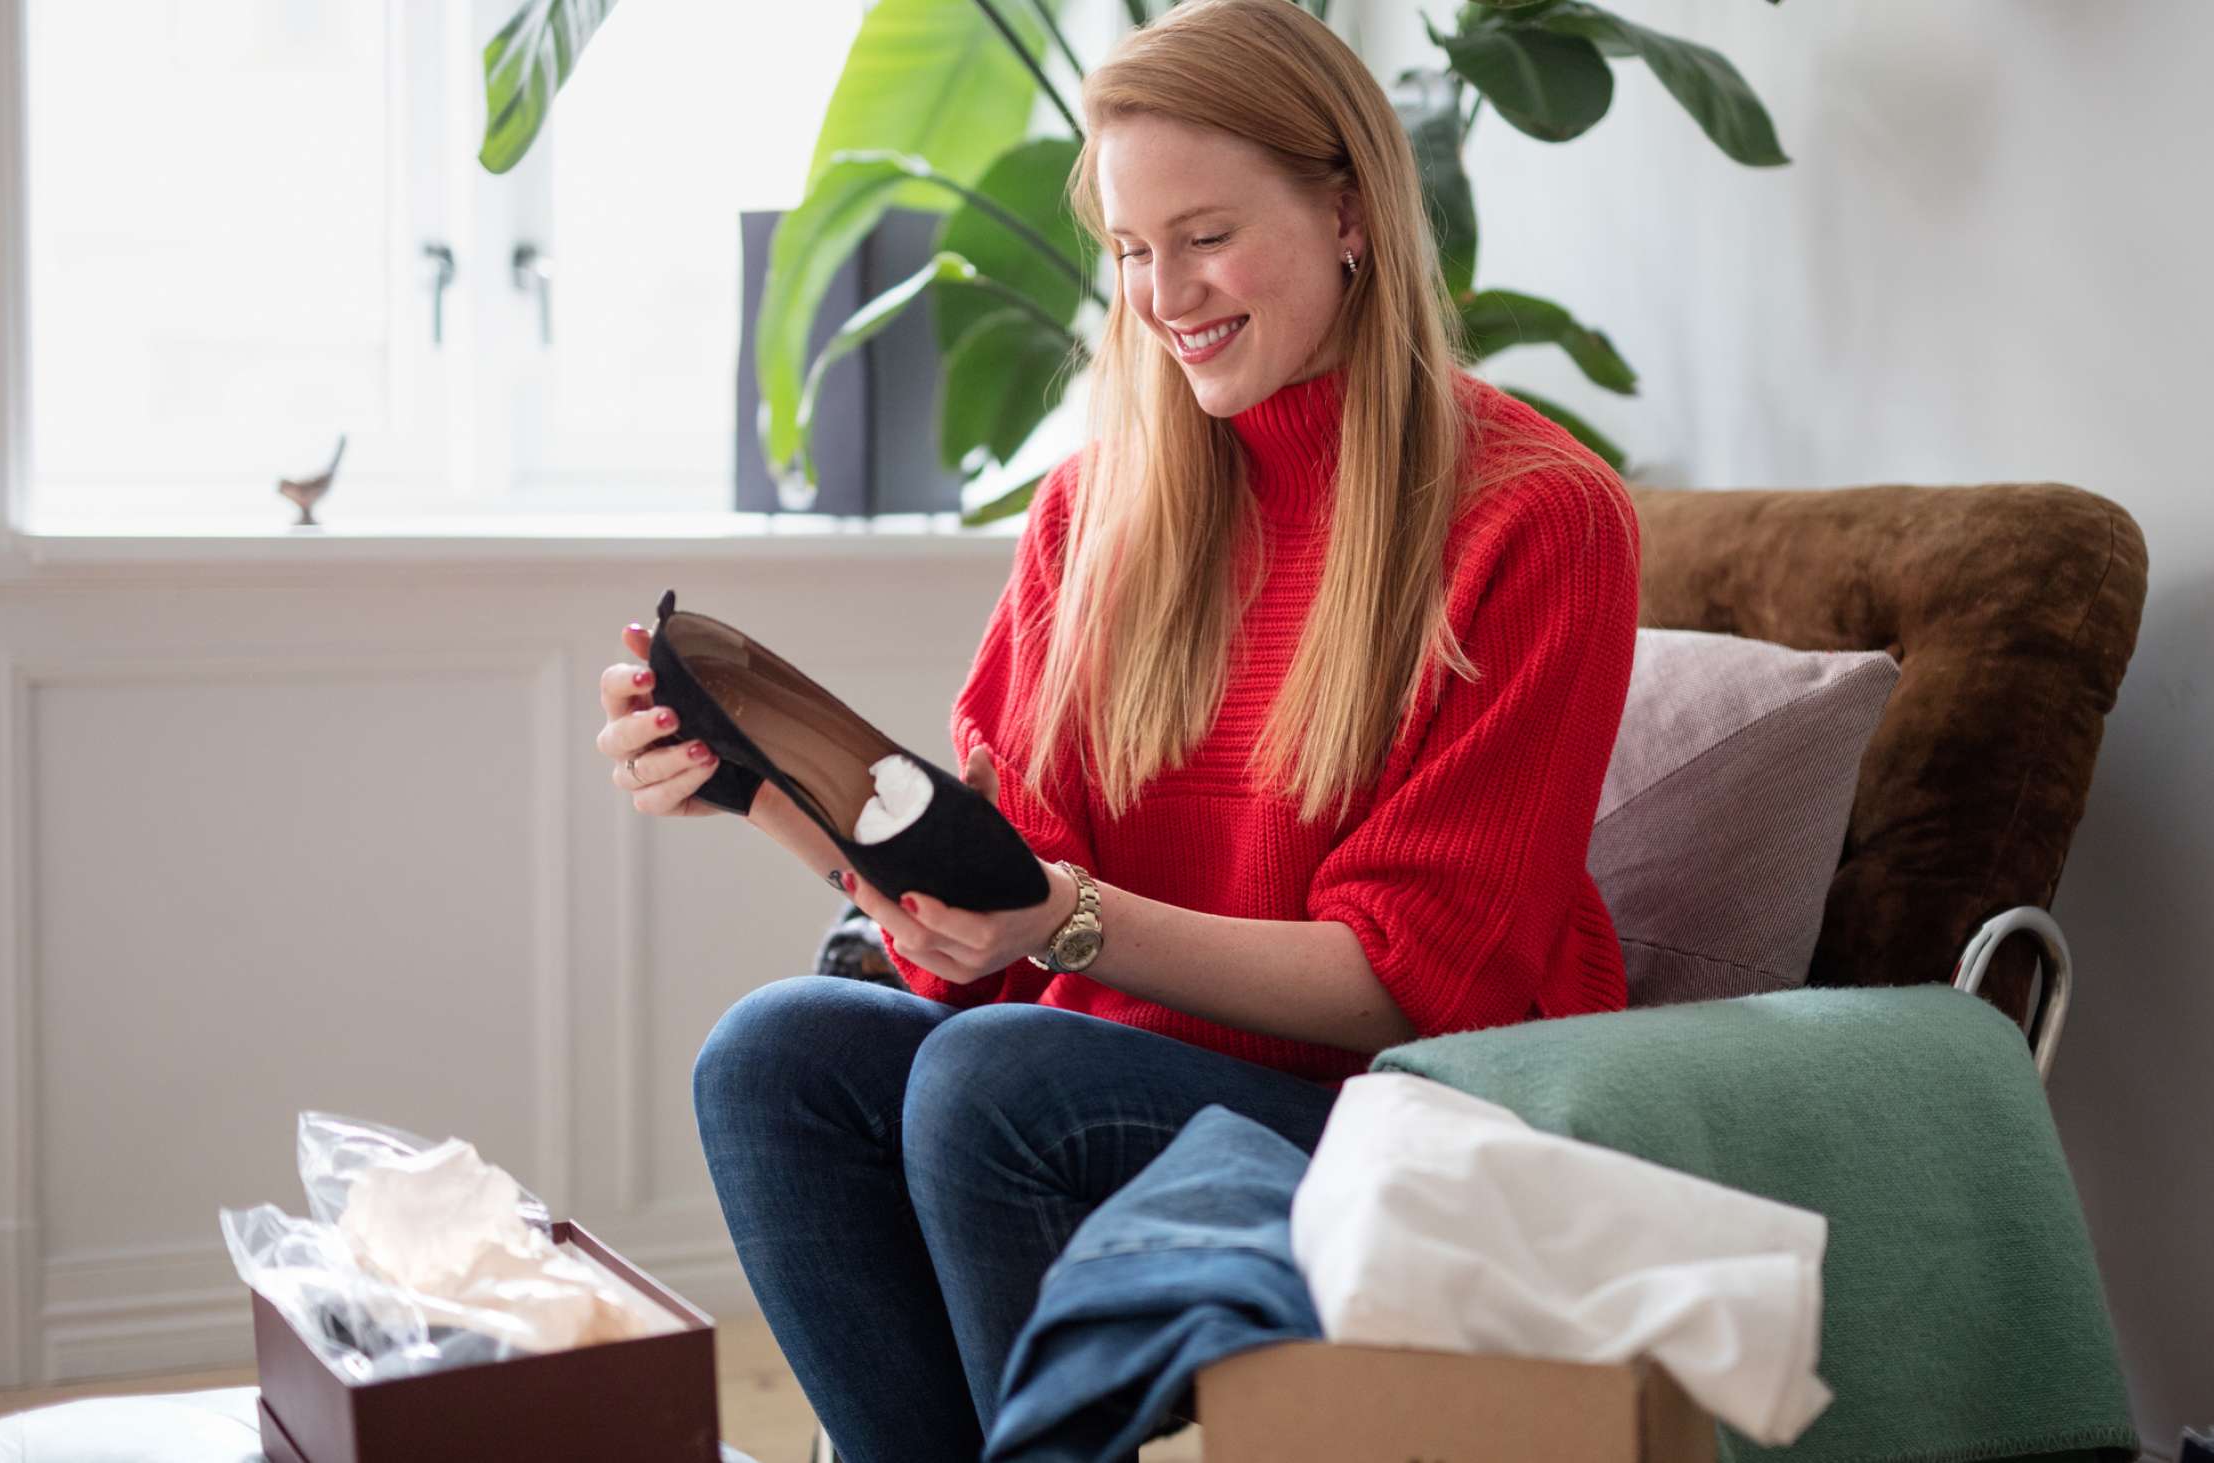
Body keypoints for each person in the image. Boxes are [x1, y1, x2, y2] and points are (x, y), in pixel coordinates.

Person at [594, 0, 1639, 1455]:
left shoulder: (1535, 516)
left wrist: (1064, 926)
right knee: (772, 1051)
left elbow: (1415, 985)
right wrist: (759, 795)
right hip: (1079, 1070)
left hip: (1406, 1103)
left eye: (1204, 236)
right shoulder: (1097, 510)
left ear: (1348, 211)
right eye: (1134, 249)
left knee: (993, 1080)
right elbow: (987, 914)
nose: (1164, 294)